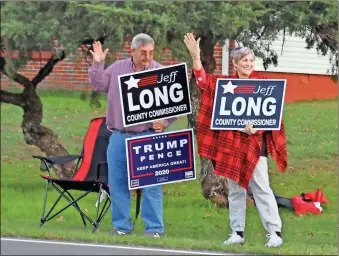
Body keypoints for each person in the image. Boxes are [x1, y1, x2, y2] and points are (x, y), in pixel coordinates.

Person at [183, 33, 288, 247]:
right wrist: (196, 56)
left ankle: (274, 232)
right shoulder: (225, 84)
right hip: (232, 146)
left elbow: (273, 115)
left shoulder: (264, 85)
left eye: (251, 61)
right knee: (236, 190)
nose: (248, 64)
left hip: (255, 145)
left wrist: (257, 128)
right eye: (244, 61)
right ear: (235, 64)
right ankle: (236, 232)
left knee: (261, 188)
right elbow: (203, 82)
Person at [88, 33, 177, 238]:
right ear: (133, 50)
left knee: (152, 185)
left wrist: (164, 122)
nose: (147, 57)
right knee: (118, 184)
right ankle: (121, 227)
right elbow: (98, 85)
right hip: (119, 136)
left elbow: (177, 105)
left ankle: (154, 229)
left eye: (151, 53)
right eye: (143, 52)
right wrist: (98, 64)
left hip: (148, 136)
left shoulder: (160, 72)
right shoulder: (117, 68)